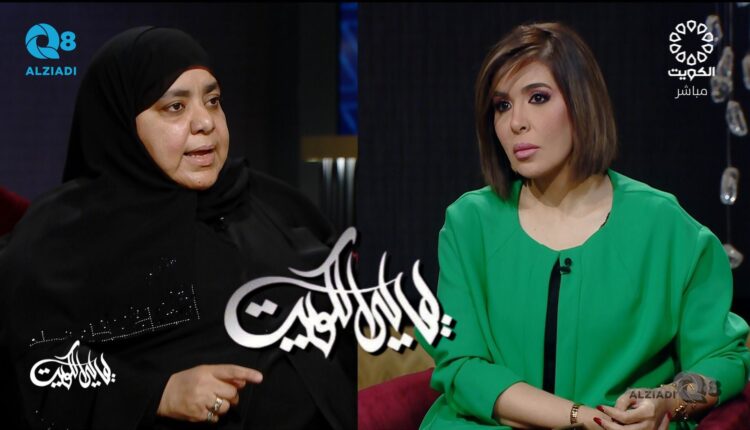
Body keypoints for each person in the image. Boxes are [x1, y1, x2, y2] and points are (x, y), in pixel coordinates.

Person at [0, 26, 355, 429]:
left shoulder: (264, 199)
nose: (205, 122)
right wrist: (159, 393)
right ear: (122, 125)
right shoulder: (64, 237)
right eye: (175, 107)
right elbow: (33, 370)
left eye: (213, 101)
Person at [418, 22, 750, 430]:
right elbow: (460, 365)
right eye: (502, 105)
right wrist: (581, 418)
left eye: (538, 98)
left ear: (582, 103)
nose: (516, 122)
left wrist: (667, 400)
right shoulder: (469, 223)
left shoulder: (666, 227)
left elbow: (725, 361)